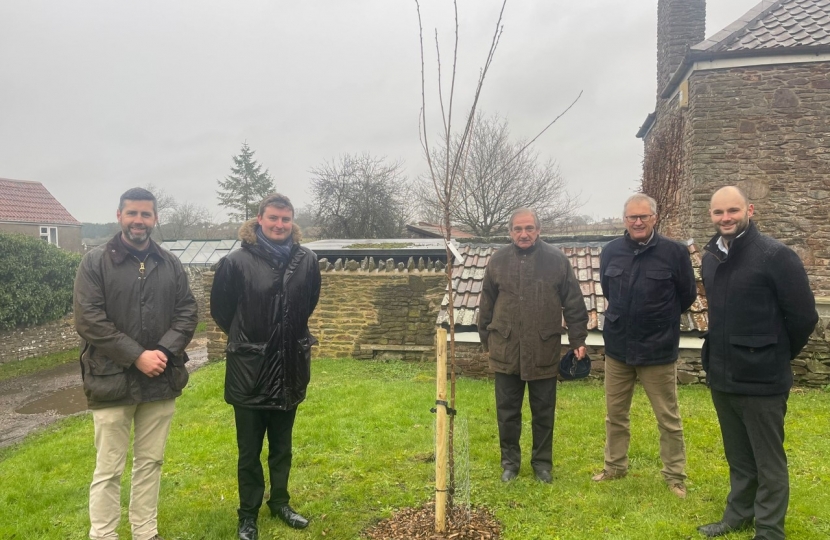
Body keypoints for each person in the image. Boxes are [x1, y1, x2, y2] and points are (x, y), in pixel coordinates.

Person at [74, 187, 198, 540]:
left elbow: (187, 311)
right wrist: (136, 356)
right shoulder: (95, 262)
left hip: (160, 379)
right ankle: (104, 534)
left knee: (151, 463)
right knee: (108, 468)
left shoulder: (169, 263)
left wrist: (162, 350)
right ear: (119, 216)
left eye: (146, 214)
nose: (139, 221)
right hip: (110, 379)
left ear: (155, 218)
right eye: (132, 213)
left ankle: (146, 531)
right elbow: (89, 320)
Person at [697, 186, 818, 540]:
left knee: (769, 462)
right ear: (711, 215)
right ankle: (738, 515)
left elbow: (803, 317)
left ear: (749, 209)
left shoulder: (776, 256)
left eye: (732, 210)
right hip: (722, 375)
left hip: (763, 379)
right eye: (718, 212)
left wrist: (775, 354)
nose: (726, 218)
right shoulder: (711, 256)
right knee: (739, 458)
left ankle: (768, 530)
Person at [210, 193, 321, 540]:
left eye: (285, 219)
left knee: (282, 446)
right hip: (250, 372)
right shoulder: (236, 262)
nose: (279, 225)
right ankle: (247, 515)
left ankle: (281, 502)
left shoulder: (307, 261)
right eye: (273, 218)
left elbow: (308, 303)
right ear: (259, 219)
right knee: (249, 451)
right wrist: (252, 341)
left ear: (293, 222)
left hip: (290, 367)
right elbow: (222, 311)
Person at [592, 193, 696, 498]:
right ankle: (614, 467)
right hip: (619, 347)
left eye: (643, 217)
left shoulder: (675, 253)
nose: (637, 222)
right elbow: (608, 289)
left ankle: (675, 476)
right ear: (625, 220)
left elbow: (686, 295)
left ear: (655, 218)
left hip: (658, 349)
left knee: (668, 417)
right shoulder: (611, 251)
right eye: (632, 217)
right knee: (615, 414)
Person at [478, 207, 589, 484]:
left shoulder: (557, 260)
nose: (523, 234)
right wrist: (485, 340)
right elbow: (486, 304)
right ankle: (509, 463)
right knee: (507, 412)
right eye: (518, 229)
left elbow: (574, 302)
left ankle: (542, 464)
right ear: (510, 232)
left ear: (539, 230)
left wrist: (578, 339)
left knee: (543, 412)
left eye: (529, 228)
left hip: (543, 349)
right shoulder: (497, 261)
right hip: (506, 349)